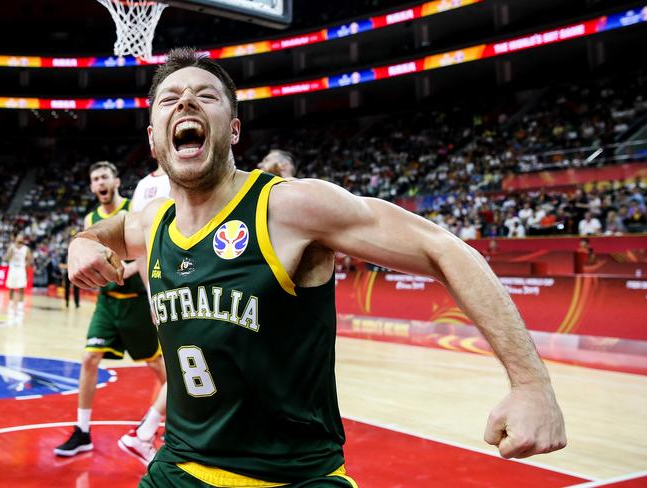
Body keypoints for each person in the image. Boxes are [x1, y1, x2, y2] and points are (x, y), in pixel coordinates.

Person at [68, 48, 566, 487]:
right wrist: (81, 241)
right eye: (170, 98)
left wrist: (531, 384)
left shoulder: (288, 208)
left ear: (235, 130)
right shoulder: (154, 221)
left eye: (206, 95)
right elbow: (107, 231)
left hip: (294, 478)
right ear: (154, 139)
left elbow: (444, 248)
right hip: (179, 469)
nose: (187, 103)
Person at [54, 161, 166, 460]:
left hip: (136, 302)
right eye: (95, 179)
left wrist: (129, 268)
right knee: (89, 359)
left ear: (116, 181)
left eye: (105, 176)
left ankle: (163, 424)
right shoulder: (92, 219)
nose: (100, 182)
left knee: (163, 372)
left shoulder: (135, 206)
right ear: (91, 187)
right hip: (107, 304)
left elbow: (150, 247)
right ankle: (82, 430)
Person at [118, 164, 171, 465]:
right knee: (185, 367)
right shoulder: (142, 187)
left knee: (186, 367)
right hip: (168, 287)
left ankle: (152, 431)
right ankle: (145, 433)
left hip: (187, 281)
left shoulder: (192, 174)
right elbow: (140, 246)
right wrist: (153, 294)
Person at [5, 233, 32, 313]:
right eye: (18, 239)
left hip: (21, 269)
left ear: (23, 240)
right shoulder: (12, 247)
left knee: (21, 287)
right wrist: (11, 250)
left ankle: (20, 304)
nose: (19, 240)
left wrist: (27, 267)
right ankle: (10, 303)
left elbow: (29, 259)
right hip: (13, 268)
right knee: (11, 287)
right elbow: (7, 258)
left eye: (21, 239)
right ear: (16, 239)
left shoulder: (26, 249)